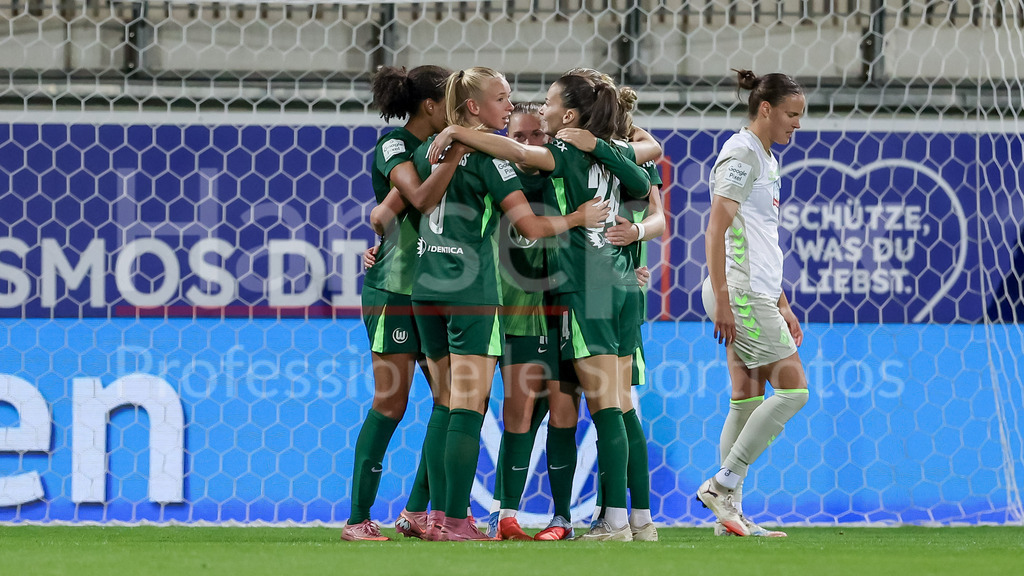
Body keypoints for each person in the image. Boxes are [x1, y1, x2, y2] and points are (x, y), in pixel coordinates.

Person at [428, 72, 655, 541]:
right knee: (611, 406)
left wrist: (455, 131)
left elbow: (517, 154)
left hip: (581, 289)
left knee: (602, 409)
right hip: (609, 286)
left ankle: (609, 520)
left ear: (568, 115)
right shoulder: (612, 152)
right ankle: (634, 520)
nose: (538, 109)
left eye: (548, 103)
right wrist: (606, 151)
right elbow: (644, 170)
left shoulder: (564, 153)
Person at [341, 64, 462, 542]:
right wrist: (454, 153)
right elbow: (415, 199)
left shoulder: (450, 144)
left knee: (452, 400)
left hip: (438, 291)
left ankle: (416, 511)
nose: (458, 109)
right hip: (395, 288)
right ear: (431, 105)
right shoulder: (395, 145)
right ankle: (357, 519)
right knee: (391, 402)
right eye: (450, 100)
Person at [697, 69, 810, 537]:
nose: (797, 123)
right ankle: (723, 483)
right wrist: (725, 298)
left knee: (746, 397)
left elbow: (760, 239)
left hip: (754, 291)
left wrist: (782, 302)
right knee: (794, 391)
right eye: (791, 114)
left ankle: (729, 515)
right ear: (765, 109)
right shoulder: (742, 153)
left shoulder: (765, 157)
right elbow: (715, 229)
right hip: (739, 293)